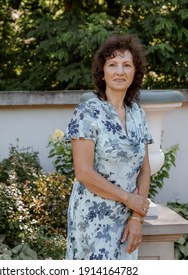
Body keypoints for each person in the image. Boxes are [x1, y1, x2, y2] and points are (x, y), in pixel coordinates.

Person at [65, 34, 153, 260]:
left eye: (126, 65)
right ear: (102, 73)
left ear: (135, 72)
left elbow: (144, 170)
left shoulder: (138, 114)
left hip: (128, 218)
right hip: (93, 216)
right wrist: (128, 198)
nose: (120, 71)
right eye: (112, 65)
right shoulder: (87, 112)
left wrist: (136, 217)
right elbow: (83, 172)